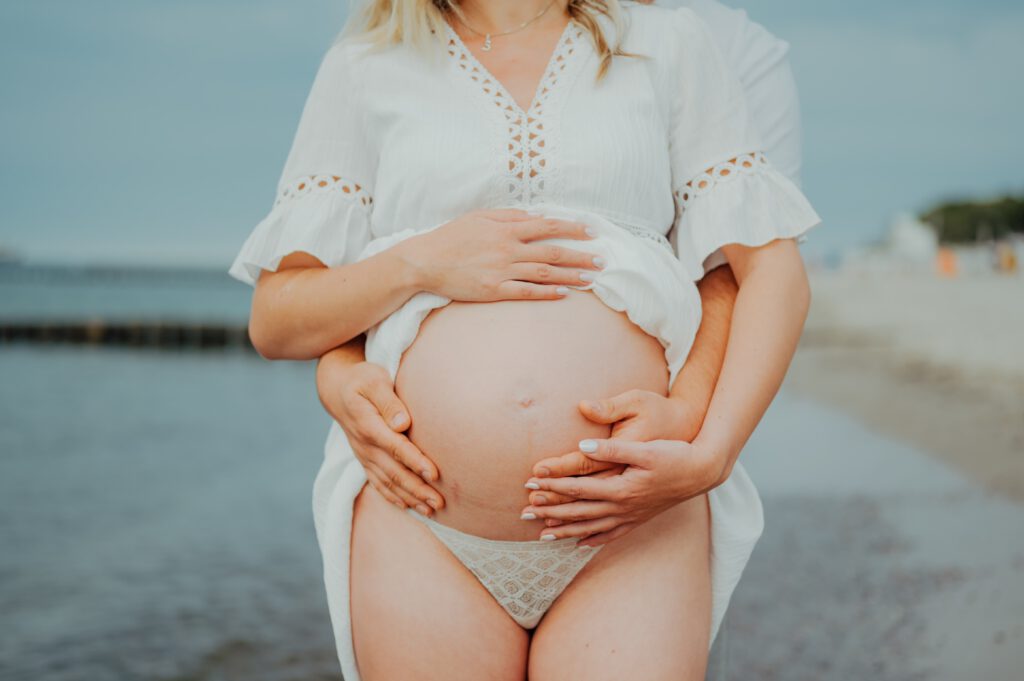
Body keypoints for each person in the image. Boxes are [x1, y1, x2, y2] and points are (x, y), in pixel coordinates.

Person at [228, 1, 819, 679]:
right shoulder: (366, 62)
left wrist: (711, 453)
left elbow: (769, 271)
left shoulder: (667, 42)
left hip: (632, 524)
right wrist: (420, 261)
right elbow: (276, 315)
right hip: (424, 523)